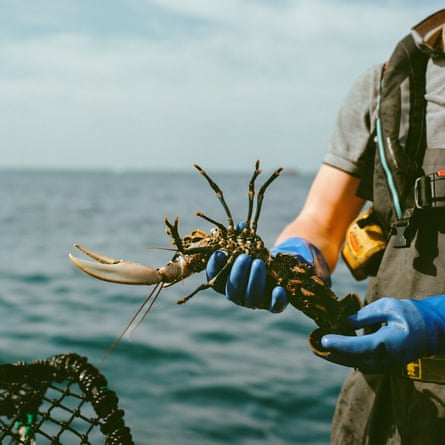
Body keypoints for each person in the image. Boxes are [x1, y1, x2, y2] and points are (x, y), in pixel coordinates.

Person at [206, 9, 445, 444]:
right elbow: (322, 220)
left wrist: (440, 320)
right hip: (381, 400)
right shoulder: (387, 85)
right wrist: (301, 251)